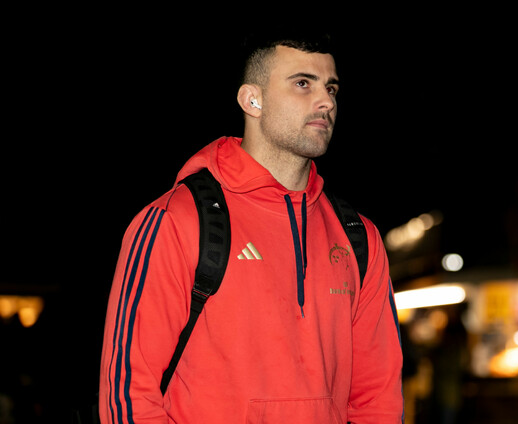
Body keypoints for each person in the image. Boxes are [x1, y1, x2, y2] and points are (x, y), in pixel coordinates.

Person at [98, 29, 404, 423]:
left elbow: (378, 398)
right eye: (303, 83)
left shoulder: (359, 237)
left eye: (331, 87)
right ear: (252, 100)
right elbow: (128, 393)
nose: (326, 101)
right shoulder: (178, 220)